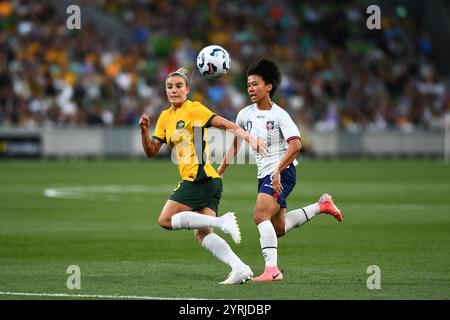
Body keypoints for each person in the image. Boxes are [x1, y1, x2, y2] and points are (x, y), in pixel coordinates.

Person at [217, 59, 343, 282]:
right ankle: (321, 206)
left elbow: (296, 145)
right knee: (279, 228)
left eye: (255, 84)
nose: (251, 89)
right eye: (248, 85)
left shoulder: (280, 115)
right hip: (264, 174)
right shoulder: (244, 115)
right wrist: (222, 169)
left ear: (269, 87)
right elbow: (236, 143)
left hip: (282, 173)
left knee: (259, 215)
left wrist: (278, 170)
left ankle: (272, 270)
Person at [139, 68, 266, 284]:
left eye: (179, 86)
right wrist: (144, 131)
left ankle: (222, 221)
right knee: (203, 233)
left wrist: (249, 137)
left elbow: (225, 124)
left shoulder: (194, 109)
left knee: (165, 220)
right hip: (209, 180)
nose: (173, 90)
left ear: (187, 89)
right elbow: (151, 151)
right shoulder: (164, 118)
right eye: (169, 87)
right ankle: (240, 268)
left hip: (199, 178)